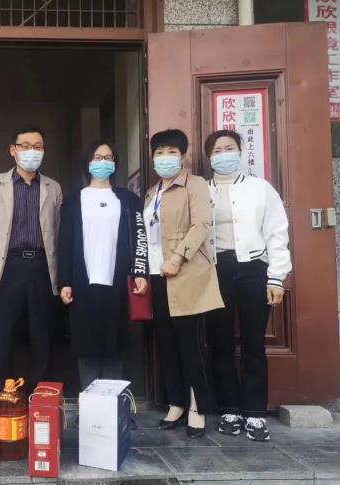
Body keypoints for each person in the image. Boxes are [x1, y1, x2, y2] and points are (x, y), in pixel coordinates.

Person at [204, 130, 291, 442]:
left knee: (254, 343)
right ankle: (229, 408)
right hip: (216, 270)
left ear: (240, 152)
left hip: (254, 268)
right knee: (220, 341)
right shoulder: (202, 190)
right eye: (217, 150)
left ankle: (255, 412)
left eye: (229, 148)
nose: (223, 154)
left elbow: (277, 232)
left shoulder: (260, 189)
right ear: (209, 156)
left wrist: (276, 277)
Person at [144, 129, 223, 439]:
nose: (165, 158)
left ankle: (197, 407)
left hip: (184, 273)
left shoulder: (195, 184)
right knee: (166, 343)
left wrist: (177, 257)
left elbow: (201, 223)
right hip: (156, 275)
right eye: (159, 152)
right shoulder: (151, 192)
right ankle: (176, 403)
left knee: (189, 344)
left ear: (183, 155)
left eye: (171, 152)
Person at [58, 141, 149, 390]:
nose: (103, 162)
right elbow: (65, 243)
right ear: (87, 163)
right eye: (97, 158)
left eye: (108, 158)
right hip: (82, 284)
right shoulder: (73, 201)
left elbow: (140, 237)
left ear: (115, 163)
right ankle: (90, 403)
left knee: (114, 346)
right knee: (85, 346)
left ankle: (111, 402)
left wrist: (140, 272)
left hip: (118, 282)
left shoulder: (128, 200)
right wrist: (65, 281)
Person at [0, 126, 63, 395]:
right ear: (13, 151)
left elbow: (58, 233)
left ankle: (38, 399)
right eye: (25, 146)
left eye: (38, 147)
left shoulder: (53, 187)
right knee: (1, 335)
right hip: (6, 267)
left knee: (41, 335)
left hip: (41, 267)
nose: (32, 152)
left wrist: (61, 277)